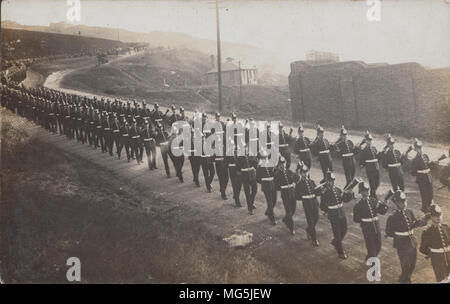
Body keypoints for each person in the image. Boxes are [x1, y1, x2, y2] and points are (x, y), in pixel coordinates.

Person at [385, 190, 429, 283]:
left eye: (404, 201)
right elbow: (388, 231)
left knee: (412, 264)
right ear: (396, 203)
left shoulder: (409, 211)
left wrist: (424, 220)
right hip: (401, 244)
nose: (404, 203)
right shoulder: (392, 216)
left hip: (412, 242)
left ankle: (403, 278)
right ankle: (406, 281)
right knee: (405, 265)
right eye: (401, 202)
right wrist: (398, 235)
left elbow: (413, 224)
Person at [318, 170, 354, 259]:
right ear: (326, 180)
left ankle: (336, 242)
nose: (332, 182)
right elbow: (322, 206)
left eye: (333, 180)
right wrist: (329, 210)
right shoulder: (325, 192)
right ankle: (340, 252)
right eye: (330, 180)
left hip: (341, 213)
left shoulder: (337, 189)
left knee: (344, 230)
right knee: (337, 234)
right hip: (333, 215)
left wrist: (349, 194)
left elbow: (344, 200)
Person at [353, 182, 389, 261]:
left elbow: (382, 212)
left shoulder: (373, 200)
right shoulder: (358, 205)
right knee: (371, 247)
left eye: (368, 190)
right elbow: (356, 219)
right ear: (361, 192)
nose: (367, 192)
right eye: (365, 190)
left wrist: (385, 205)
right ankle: (373, 265)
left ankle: (370, 256)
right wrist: (364, 220)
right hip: (367, 228)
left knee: (378, 246)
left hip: (376, 226)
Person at [419, 204, 450, 282]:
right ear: (431, 217)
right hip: (437, 260)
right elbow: (422, 249)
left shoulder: (446, 227)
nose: (438, 217)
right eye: (436, 216)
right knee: (442, 280)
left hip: (449, 256)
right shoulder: (427, 232)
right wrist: (432, 253)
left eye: (440, 215)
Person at [295, 163, 320, 246]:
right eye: (303, 172)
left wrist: (321, 190)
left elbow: (317, 191)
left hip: (314, 202)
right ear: (300, 173)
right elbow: (297, 196)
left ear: (308, 172)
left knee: (316, 218)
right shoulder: (299, 184)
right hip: (307, 204)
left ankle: (308, 230)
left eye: (306, 172)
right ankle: (314, 239)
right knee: (311, 221)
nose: (305, 174)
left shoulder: (311, 182)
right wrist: (304, 197)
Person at [408, 139, 434, 213]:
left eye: (421, 147)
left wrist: (433, 163)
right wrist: (421, 172)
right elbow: (413, 172)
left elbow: (429, 166)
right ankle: (425, 210)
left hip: (429, 177)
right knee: (424, 195)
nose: (420, 149)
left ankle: (430, 208)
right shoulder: (415, 159)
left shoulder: (425, 156)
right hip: (422, 179)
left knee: (430, 194)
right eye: (418, 148)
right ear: (415, 149)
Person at [274, 156, 297, 234]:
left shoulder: (288, 171)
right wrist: (281, 187)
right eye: (281, 164)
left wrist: (294, 182)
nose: (282, 165)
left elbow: (295, 178)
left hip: (292, 193)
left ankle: (286, 219)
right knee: (289, 211)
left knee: (293, 209)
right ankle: (291, 228)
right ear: (278, 164)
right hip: (285, 194)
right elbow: (276, 186)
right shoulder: (277, 174)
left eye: (283, 163)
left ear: (285, 163)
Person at [256, 150, 277, 225]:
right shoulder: (259, 167)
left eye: (265, 157)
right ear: (261, 158)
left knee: (274, 200)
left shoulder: (271, 164)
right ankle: (272, 218)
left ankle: (268, 212)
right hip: (266, 186)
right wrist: (264, 181)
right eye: (263, 158)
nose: (265, 159)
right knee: (270, 202)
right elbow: (257, 179)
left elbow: (274, 174)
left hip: (272, 184)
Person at [236, 145, 258, 214]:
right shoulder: (240, 158)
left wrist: (256, 161)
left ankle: (251, 202)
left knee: (255, 189)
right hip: (244, 176)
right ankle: (250, 209)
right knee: (247, 192)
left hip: (252, 175)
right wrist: (241, 174)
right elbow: (237, 170)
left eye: (246, 148)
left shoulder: (251, 156)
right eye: (244, 148)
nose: (246, 150)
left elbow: (256, 165)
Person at [358, 131, 380, 199]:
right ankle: (374, 197)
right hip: (369, 168)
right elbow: (362, 160)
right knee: (372, 183)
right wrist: (362, 167)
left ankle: (372, 194)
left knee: (377, 183)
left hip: (376, 167)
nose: (369, 142)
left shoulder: (374, 148)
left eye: (370, 140)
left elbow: (377, 156)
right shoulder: (364, 150)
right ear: (366, 141)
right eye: (368, 140)